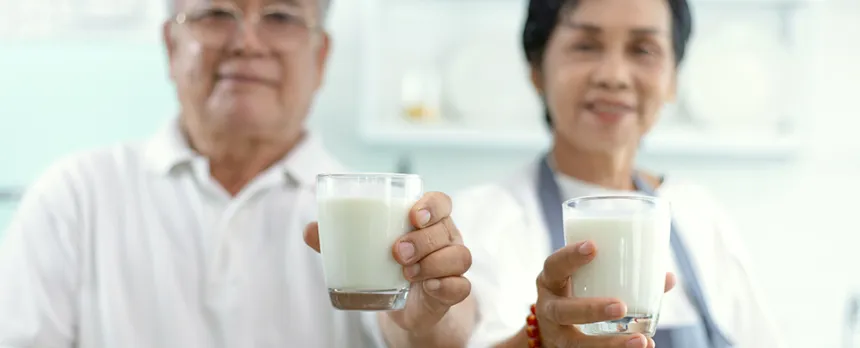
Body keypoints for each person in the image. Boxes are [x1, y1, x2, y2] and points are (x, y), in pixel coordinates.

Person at [0, 0, 475, 347]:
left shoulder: (380, 212)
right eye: (215, 14)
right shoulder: (75, 196)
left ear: (322, 55)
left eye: (282, 17)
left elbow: (432, 326)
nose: (247, 42)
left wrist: (432, 316)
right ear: (170, 44)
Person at [454, 0, 784, 347]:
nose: (613, 76)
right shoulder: (482, 220)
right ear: (537, 69)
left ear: (673, 78)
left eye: (643, 49)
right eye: (585, 46)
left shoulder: (698, 214)